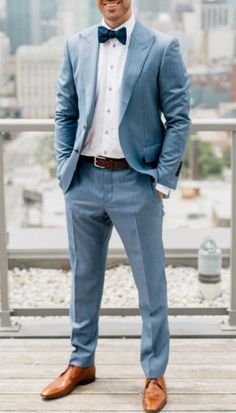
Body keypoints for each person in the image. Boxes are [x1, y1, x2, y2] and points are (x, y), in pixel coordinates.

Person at [40, 0, 191, 411]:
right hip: (83, 180)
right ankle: (80, 362)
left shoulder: (162, 47)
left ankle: (155, 373)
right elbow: (65, 112)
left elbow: (179, 118)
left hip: (136, 182)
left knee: (150, 284)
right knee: (83, 279)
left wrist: (161, 181)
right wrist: (63, 169)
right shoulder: (76, 44)